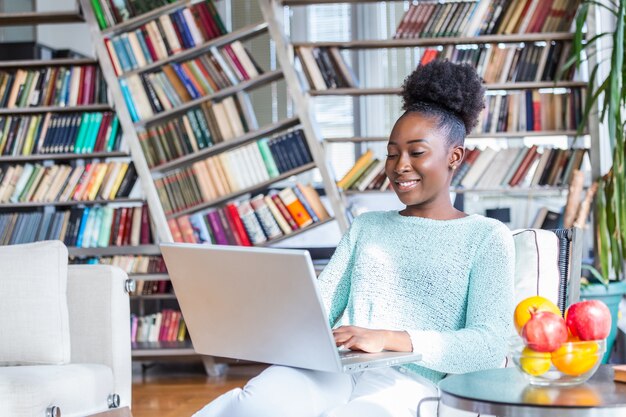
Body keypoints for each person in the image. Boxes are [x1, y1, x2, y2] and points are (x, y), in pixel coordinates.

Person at [193, 60, 515, 417]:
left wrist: (387, 338)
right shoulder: (367, 227)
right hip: (340, 368)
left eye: (416, 152)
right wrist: (264, 318)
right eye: (392, 154)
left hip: (411, 382)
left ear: (454, 156)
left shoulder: (486, 237)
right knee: (257, 404)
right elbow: (321, 307)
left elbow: (488, 343)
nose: (399, 165)